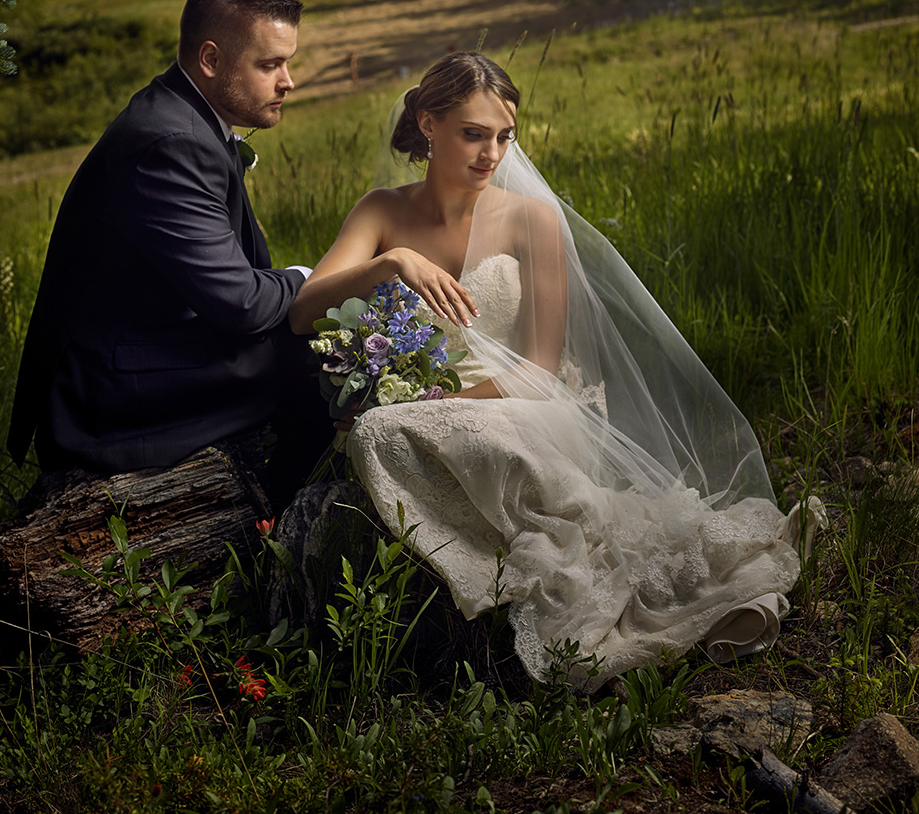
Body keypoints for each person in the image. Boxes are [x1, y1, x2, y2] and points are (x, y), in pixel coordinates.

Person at [291, 51, 823, 688]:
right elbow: (303, 313)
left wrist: (431, 408)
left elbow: (540, 369)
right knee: (382, 430)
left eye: (503, 137)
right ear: (428, 125)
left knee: (381, 430)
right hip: (425, 405)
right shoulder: (381, 211)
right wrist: (391, 262)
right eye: (472, 134)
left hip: (529, 407)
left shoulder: (530, 219)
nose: (492, 154)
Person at [9, 0, 326, 482]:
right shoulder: (170, 143)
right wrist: (310, 280)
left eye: (287, 62)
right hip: (112, 399)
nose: (288, 80)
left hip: (148, 349)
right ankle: (286, 531)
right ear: (210, 60)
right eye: (270, 64)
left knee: (333, 349)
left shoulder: (186, 116)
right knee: (324, 361)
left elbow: (240, 279)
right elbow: (242, 304)